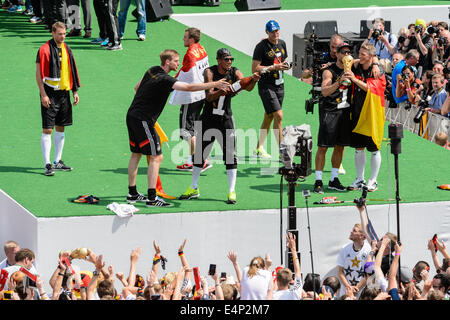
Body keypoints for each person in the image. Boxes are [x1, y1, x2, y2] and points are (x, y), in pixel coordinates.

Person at [125, 49, 230, 207]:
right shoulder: (164, 80)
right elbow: (188, 88)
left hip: (132, 116)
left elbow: (137, 87)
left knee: (136, 154)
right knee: (156, 157)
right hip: (144, 119)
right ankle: (152, 198)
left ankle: (132, 193)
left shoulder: (152, 70)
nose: (178, 63)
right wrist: (215, 84)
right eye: (175, 61)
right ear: (167, 62)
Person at [179, 48, 259, 204]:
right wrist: (221, 91)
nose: (229, 62)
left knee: (230, 156)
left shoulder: (234, 72)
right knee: (199, 155)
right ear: (219, 60)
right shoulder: (209, 72)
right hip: (208, 118)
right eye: (226, 59)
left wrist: (254, 80)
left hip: (226, 119)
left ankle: (231, 191)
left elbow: (246, 86)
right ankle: (193, 188)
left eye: (231, 59)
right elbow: (208, 97)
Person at [36, 21, 81, 176]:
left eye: (64, 34)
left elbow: (72, 70)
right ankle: (47, 164)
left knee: (61, 127)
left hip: (64, 94)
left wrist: (74, 91)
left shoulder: (67, 49)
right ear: (53, 33)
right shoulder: (43, 50)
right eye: (60, 34)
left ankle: (57, 161)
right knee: (47, 129)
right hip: (49, 93)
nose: (63, 37)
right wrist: (43, 94)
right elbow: (38, 74)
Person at [345, 42, 386, 192]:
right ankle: (359, 179)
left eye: (363, 55)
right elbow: (350, 59)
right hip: (357, 111)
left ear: (371, 56)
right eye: (359, 54)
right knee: (358, 148)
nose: (359, 57)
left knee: (374, 147)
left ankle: (373, 180)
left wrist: (354, 79)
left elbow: (371, 88)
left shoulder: (378, 71)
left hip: (373, 113)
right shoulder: (356, 65)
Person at [169, 28, 211, 172]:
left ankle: (199, 160)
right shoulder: (202, 49)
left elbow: (185, 73)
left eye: (185, 37)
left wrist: (170, 81)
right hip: (202, 94)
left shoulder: (189, 54)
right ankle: (191, 160)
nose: (183, 39)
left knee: (186, 131)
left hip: (191, 96)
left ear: (191, 39)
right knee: (194, 128)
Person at [313, 42, 353, 193]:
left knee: (340, 146)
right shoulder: (329, 72)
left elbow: (365, 59)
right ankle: (318, 180)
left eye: (348, 52)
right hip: (330, 111)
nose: (346, 55)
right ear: (336, 54)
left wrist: (375, 64)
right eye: (343, 52)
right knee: (323, 147)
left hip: (344, 112)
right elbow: (324, 91)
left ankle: (333, 179)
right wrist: (339, 81)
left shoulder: (351, 67)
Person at [252, 20, 290, 159]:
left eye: (277, 30)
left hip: (280, 85)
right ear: (267, 32)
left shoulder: (282, 44)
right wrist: (273, 67)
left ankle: (258, 148)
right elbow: (255, 68)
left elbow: (283, 62)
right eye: (273, 31)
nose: (276, 33)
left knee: (269, 116)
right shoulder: (261, 47)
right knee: (278, 115)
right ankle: (282, 151)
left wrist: (286, 66)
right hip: (266, 86)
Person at [337, 220, 371, 297]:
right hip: (346, 291)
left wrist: (357, 288)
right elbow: (340, 272)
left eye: (354, 230)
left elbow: (369, 274)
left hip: (362, 292)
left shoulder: (369, 250)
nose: (351, 231)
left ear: (362, 235)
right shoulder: (344, 249)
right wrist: (348, 287)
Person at [272, 232, 303, 300]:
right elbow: (298, 271)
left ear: (277, 280)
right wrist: (293, 249)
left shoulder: (271, 296)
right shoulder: (295, 294)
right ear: (290, 280)